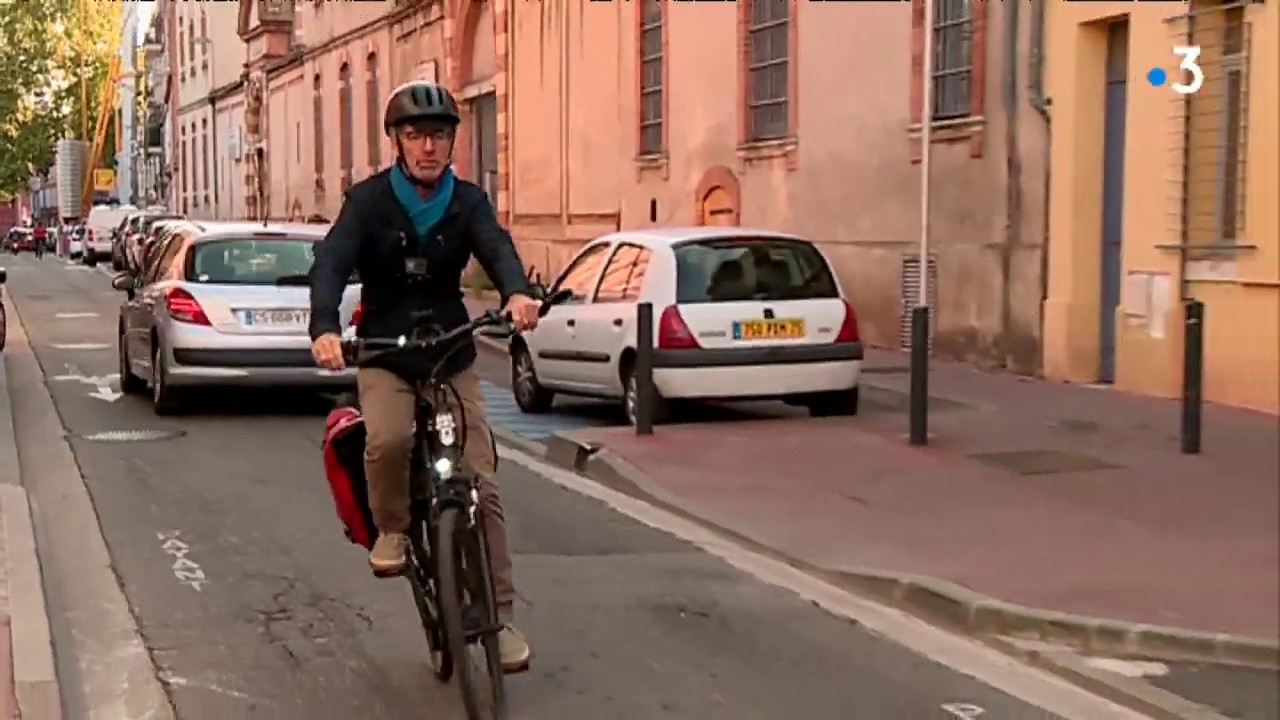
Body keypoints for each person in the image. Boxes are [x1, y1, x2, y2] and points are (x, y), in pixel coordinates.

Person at [308, 81, 539, 673]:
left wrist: (516, 292)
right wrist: (324, 327)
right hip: (386, 350)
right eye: (415, 136)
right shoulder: (367, 203)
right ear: (397, 144)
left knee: (482, 488)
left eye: (438, 135)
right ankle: (393, 529)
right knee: (387, 440)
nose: (428, 147)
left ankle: (503, 618)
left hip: (451, 351)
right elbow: (332, 261)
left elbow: (498, 248)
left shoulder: (467, 202)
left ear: (451, 142)